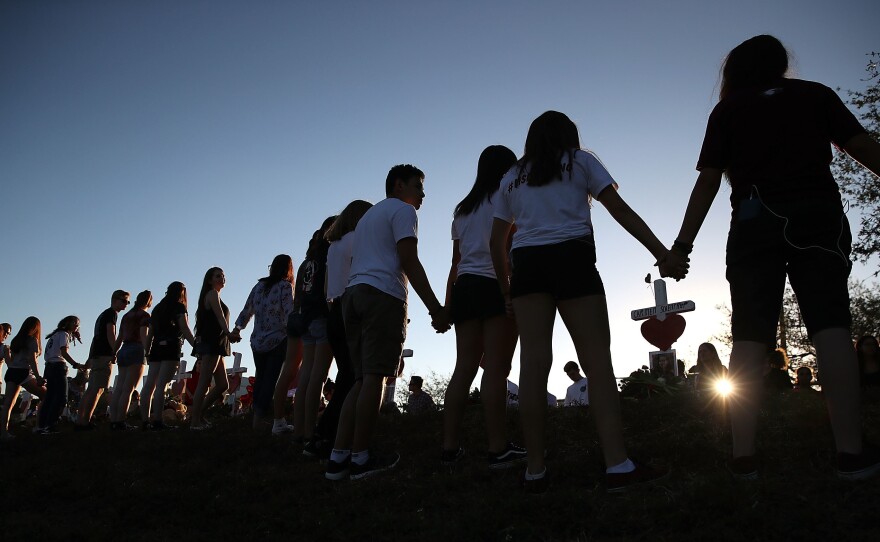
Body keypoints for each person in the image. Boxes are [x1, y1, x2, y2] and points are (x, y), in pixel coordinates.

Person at [666, 35, 880, 480]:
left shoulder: (727, 111)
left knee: (748, 335)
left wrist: (681, 247)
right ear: (781, 64)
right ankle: (851, 454)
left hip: (752, 221)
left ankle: (743, 458)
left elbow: (707, 182)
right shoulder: (815, 95)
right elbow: (861, 146)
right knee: (831, 326)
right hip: (816, 217)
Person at [490, 111, 679, 493]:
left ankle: (535, 472)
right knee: (596, 362)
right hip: (572, 259)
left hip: (528, 266)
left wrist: (506, 289)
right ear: (568, 135)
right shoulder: (580, 161)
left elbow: (497, 241)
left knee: (533, 365)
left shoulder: (510, 177)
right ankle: (618, 466)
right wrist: (663, 252)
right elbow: (620, 210)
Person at [325, 164, 451, 481]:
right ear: (398, 186)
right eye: (418, 186)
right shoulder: (403, 211)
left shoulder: (368, 217)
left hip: (352, 296)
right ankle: (361, 458)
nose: (423, 193)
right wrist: (436, 308)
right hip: (381, 296)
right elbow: (408, 259)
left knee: (358, 379)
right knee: (375, 379)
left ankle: (338, 458)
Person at [441, 145, 526, 469]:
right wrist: (509, 291)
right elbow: (507, 249)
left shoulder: (462, 210)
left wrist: (449, 304)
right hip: (495, 285)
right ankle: (497, 448)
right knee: (496, 369)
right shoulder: (508, 199)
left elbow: (455, 262)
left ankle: (449, 449)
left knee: (464, 367)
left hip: (465, 288)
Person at [315, 200, 372, 447]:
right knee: (352, 377)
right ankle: (329, 435)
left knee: (346, 374)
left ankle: (326, 434)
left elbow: (328, 284)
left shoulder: (334, 246)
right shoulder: (357, 241)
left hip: (334, 311)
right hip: (351, 308)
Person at [230, 254, 295, 433]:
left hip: (257, 341)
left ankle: (256, 418)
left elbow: (247, 310)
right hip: (277, 340)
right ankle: (259, 420)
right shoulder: (285, 287)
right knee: (270, 380)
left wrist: (237, 328)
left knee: (260, 379)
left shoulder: (259, 286)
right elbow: (290, 313)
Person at [289, 217, 337, 456]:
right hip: (321, 317)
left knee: (306, 375)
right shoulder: (328, 259)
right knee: (319, 375)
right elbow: (328, 290)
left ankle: (299, 429)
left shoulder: (306, 263)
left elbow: (298, 295)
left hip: (305, 319)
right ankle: (310, 431)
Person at [141, 282, 197, 430]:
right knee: (161, 385)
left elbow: (150, 333)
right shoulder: (179, 307)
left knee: (149, 384)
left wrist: (146, 351)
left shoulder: (158, 308)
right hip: (171, 347)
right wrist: (196, 346)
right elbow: (184, 328)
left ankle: (145, 420)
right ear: (181, 293)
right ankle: (158, 421)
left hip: (156, 348)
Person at [190, 267, 236, 430]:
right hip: (212, 343)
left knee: (223, 384)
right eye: (218, 276)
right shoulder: (211, 294)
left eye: (223, 275)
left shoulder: (213, 295)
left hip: (217, 344)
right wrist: (229, 333)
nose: (222, 278)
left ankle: (198, 414)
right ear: (209, 280)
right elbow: (220, 317)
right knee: (204, 382)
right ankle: (195, 422)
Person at [76, 290, 130, 430]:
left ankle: (80, 419)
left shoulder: (103, 315)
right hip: (104, 355)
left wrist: (90, 357)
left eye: (127, 302)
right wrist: (114, 351)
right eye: (124, 301)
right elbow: (110, 333)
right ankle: (85, 421)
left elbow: (96, 337)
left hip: (96, 354)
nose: (126, 304)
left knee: (91, 389)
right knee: (98, 389)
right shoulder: (111, 314)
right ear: (115, 300)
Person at [110, 290, 152, 431]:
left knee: (119, 388)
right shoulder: (145, 316)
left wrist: (113, 352)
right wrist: (149, 351)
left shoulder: (126, 316)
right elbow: (143, 335)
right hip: (137, 349)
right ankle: (121, 421)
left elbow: (120, 336)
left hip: (124, 350)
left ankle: (113, 420)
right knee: (129, 389)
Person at [36, 316, 84, 433]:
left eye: (78, 325)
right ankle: (50, 424)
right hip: (58, 366)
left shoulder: (56, 335)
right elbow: (64, 351)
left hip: (49, 366)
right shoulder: (64, 334)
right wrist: (75, 364)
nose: (76, 326)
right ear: (68, 323)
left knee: (50, 397)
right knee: (62, 397)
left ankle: (42, 425)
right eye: (75, 323)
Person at [1, 317, 46, 440]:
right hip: (23, 372)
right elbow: (32, 360)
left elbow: (11, 361)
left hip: (11, 372)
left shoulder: (16, 340)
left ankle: (4, 432)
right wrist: (38, 377)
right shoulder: (32, 340)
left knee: (8, 405)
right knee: (46, 395)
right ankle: (40, 425)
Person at [0, 323, 12, 397]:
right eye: (6, 332)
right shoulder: (4, 348)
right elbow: (10, 365)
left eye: (8, 333)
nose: (6, 335)